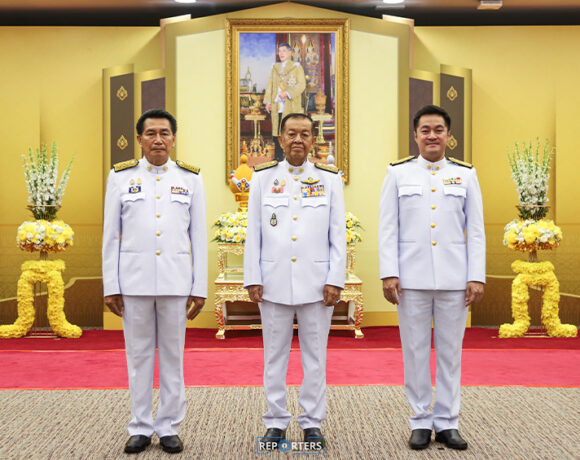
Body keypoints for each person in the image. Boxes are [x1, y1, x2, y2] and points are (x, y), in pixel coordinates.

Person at [378, 105, 485, 451]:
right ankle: (420, 421)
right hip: (411, 280)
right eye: (425, 130)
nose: (432, 135)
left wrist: (476, 276)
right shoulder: (398, 173)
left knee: (451, 353)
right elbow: (387, 228)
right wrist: (389, 273)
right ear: (415, 136)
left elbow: (476, 231)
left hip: (455, 280)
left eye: (438, 129)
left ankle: (448, 422)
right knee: (415, 351)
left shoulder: (465, 174)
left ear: (448, 135)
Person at [102, 109, 207, 455]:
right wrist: (111, 285)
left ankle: (169, 427)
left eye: (164, 133)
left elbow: (198, 236)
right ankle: (140, 427)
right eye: (151, 133)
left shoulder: (190, 178)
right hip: (134, 283)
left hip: (176, 283)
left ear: (173, 139)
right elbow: (111, 236)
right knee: (138, 357)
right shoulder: (120, 177)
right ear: (139, 139)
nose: (158, 139)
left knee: (173, 358)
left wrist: (199, 287)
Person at [244, 113, 346, 449]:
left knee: (315, 357)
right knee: (274, 357)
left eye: (304, 134)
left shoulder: (329, 179)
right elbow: (254, 232)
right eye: (291, 134)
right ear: (280, 139)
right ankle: (275, 422)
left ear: (313, 139)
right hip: (273, 282)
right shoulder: (263, 178)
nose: (298, 139)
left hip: (317, 284)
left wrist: (335, 279)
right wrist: (253, 277)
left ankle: (312, 422)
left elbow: (337, 234)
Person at [264, 42, 306, 162]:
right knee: (277, 130)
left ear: (290, 52)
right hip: (277, 104)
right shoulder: (275, 68)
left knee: (289, 131)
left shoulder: (296, 67)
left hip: (290, 105)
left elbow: (301, 85)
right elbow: (270, 85)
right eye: (279, 51)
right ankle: (278, 156)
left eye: (284, 51)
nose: (281, 53)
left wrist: (287, 93)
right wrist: (268, 102)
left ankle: (291, 156)